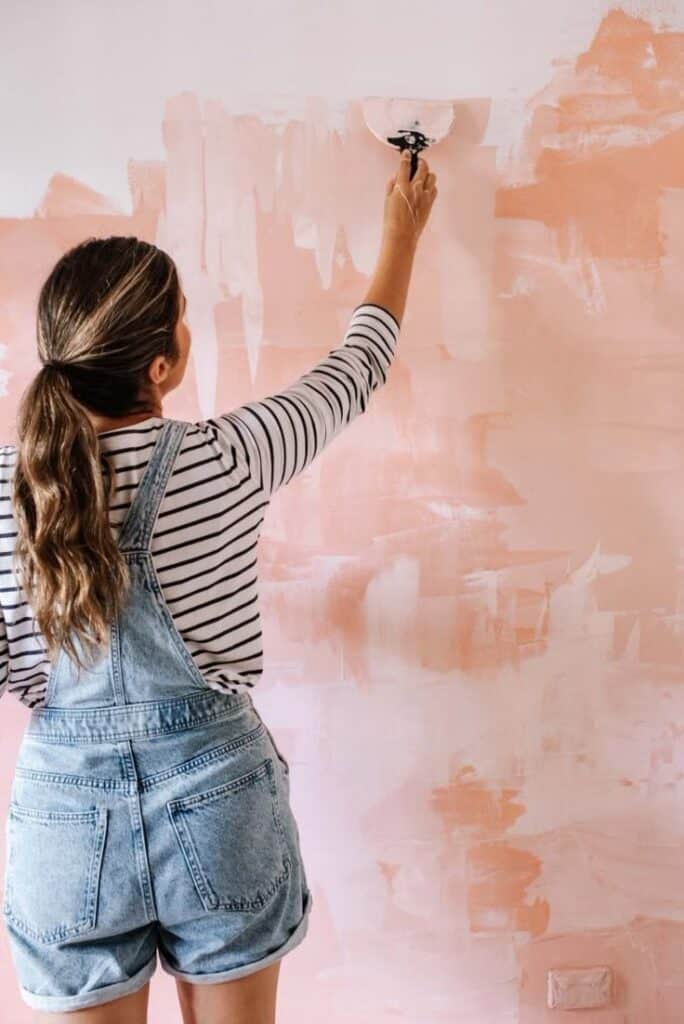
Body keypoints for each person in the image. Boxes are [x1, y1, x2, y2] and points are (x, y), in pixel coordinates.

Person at [0, 150, 437, 1023]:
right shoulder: (226, 457)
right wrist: (401, 232)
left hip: (63, 821)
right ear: (160, 366)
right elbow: (354, 371)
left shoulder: (9, 495)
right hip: (219, 801)